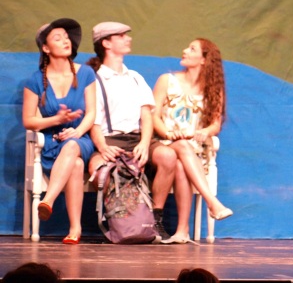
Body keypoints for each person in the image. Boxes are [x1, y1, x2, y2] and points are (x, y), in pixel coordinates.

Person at [86, 21, 192, 243]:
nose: (128, 38)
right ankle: (119, 220)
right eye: (121, 36)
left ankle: (155, 219)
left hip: (137, 138)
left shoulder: (135, 77)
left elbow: (146, 115)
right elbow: (93, 120)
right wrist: (102, 147)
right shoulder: (95, 78)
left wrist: (144, 143)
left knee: (167, 155)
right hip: (110, 139)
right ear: (106, 43)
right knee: (99, 170)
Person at [21, 18, 97, 245]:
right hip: (52, 143)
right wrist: (57, 119)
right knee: (76, 165)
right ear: (46, 48)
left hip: (80, 138)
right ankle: (75, 228)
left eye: (66, 37)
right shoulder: (35, 81)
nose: (66, 41)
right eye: (58, 38)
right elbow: (28, 121)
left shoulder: (86, 73)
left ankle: (49, 200)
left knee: (73, 147)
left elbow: (92, 113)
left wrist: (76, 131)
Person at [152, 38, 233, 243]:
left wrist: (205, 132)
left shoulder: (213, 89)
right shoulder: (166, 80)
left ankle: (182, 230)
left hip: (193, 150)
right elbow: (153, 116)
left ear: (204, 59)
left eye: (192, 49)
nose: (185, 51)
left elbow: (215, 124)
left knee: (181, 164)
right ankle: (212, 202)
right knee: (180, 147)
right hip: (164, 143)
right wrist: (167, 133)